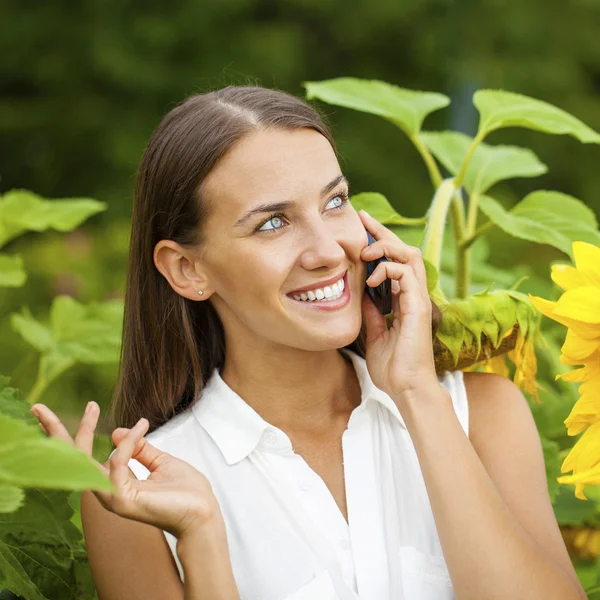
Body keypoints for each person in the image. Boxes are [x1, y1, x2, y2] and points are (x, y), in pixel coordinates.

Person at [30, 86, 585, 600]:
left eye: (334, 202)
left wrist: (416, 390)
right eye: (273, 223)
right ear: (187, 269)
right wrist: (200, 539)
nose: (327, 249)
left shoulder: (481, 414)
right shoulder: (141, 497)